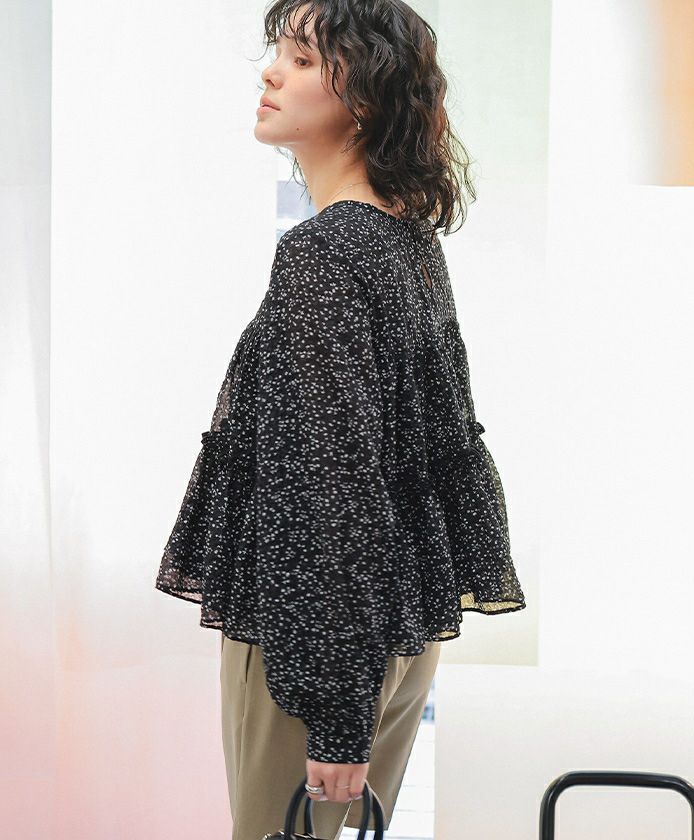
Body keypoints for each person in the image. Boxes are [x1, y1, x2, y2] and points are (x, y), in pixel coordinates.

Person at [155, 1, 527, 837]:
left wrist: (334, 714)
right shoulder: (405, 240)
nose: (270, 71)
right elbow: (416, 461)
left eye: (301, 58)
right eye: (277, 52)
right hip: (389, 633)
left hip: (314, 645)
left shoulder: (323, 254)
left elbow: (331, 494)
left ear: (363, 96)